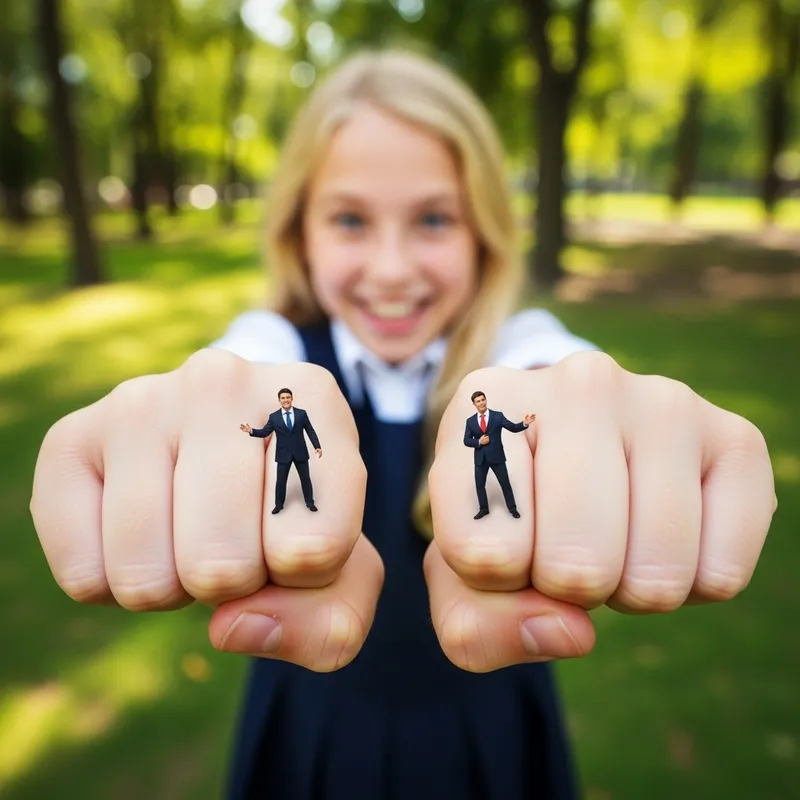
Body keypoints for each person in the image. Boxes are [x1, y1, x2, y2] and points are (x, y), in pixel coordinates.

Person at [29, 49, 776, 800]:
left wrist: (597, 405)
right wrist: (195, 410)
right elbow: (244, 368)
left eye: (433, 219)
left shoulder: (510, 358)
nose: (391, 270)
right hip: (308, 740)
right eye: (350, 219)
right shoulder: (279, 354)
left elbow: (552, 368)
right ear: (300, 236)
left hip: (493, 740)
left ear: (482, 234)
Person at [240, 387, 322, 513]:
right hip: (283, 454)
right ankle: (279, 504)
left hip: (300, 452)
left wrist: (317, 446)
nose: (286, 400)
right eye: (283, 398)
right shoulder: (274, 417)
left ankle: (310, 502)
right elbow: (265, 432)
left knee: (305, 478)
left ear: (292, 398)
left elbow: (310, 430)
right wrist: (251, 431)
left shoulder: (301, 414)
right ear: (279, 400)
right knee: (281, 481)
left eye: (288, 397)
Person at [464, 390, 535, 519]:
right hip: (480, 459)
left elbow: (513, 427)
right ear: (474, 404)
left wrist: (524, 423)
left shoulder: (497, 416)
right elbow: (466, 440)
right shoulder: (470, 421)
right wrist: (478, 441)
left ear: (486, 400)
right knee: (480, 485)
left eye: (483, 400)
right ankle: (483, 509)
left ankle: (513, 509)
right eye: (478, 401)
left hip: (497, 457)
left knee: (505, 483)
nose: (481, 403)